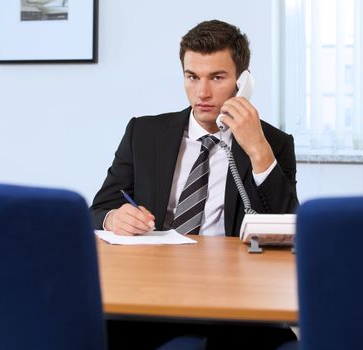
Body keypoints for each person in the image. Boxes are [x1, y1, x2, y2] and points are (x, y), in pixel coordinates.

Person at [91, 19, 298, 349]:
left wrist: (257, 149)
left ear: (242, 82)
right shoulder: (143, 133)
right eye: (192, 77)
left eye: (217, 78)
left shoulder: (273, 142)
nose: (202, 93)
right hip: (150, 289)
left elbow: (287, 228)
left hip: (232, 296)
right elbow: (99, 208)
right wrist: (114, 218)